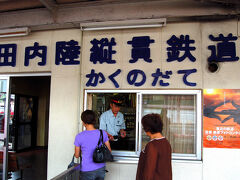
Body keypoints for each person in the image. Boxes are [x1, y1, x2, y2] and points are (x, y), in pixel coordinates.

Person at [74, 110, 111, 180]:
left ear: (83, 122)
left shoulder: (79, 136)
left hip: (86, 169)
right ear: (94, 120)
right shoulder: (102, 133)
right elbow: (109, 151)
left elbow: (77, 155)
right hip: (100, 168)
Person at [136, 113, 172, 180]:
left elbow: (149, 170)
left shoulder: (152, 145)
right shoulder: (166, 143)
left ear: (148, 128)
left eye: (143, 127)